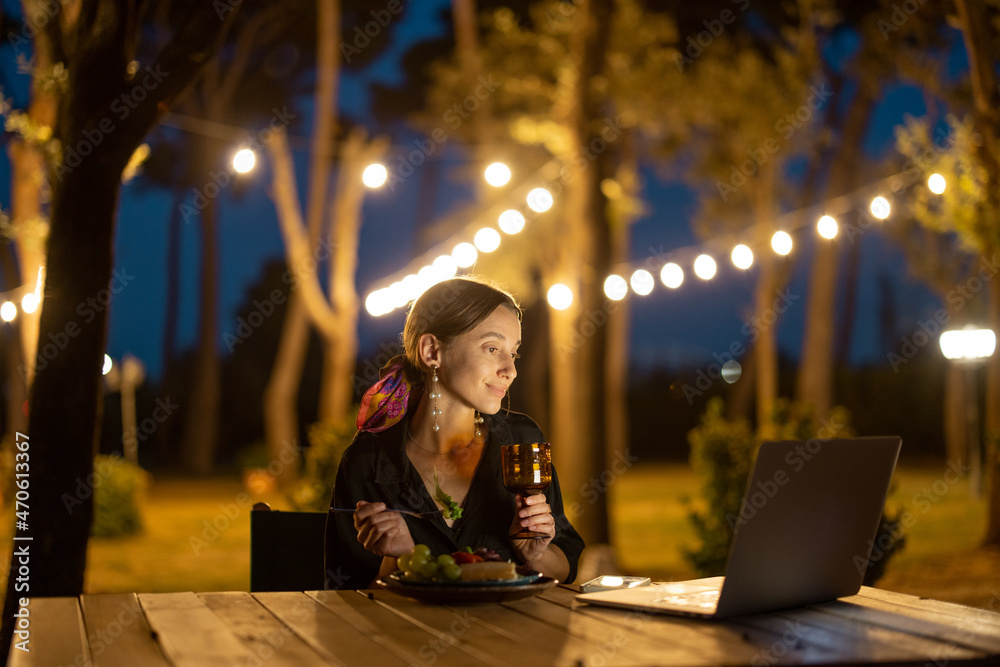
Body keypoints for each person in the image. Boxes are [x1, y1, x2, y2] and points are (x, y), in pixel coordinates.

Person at [325, 276, 584, 589]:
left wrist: (535, 554)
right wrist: (397, 558)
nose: (510, 369)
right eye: (492, 348)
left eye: (513, 353)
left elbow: (567, 567)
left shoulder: (522, 441)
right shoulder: (367, 462)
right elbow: (343, 602)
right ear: (432, 351)